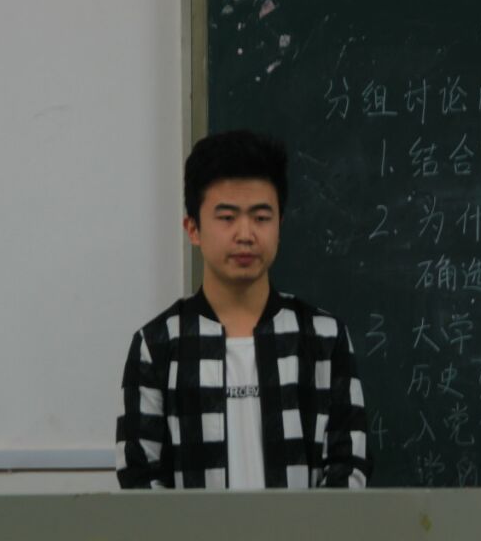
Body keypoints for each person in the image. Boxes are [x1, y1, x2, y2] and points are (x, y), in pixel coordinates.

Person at [116, 129, 370, 489]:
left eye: (261, 217)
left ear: (279, 225)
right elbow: (140, 477)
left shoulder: (324, 338)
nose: (245, 234)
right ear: (193, 228)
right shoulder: (157, 345)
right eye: (227, 217)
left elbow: (349, 466)